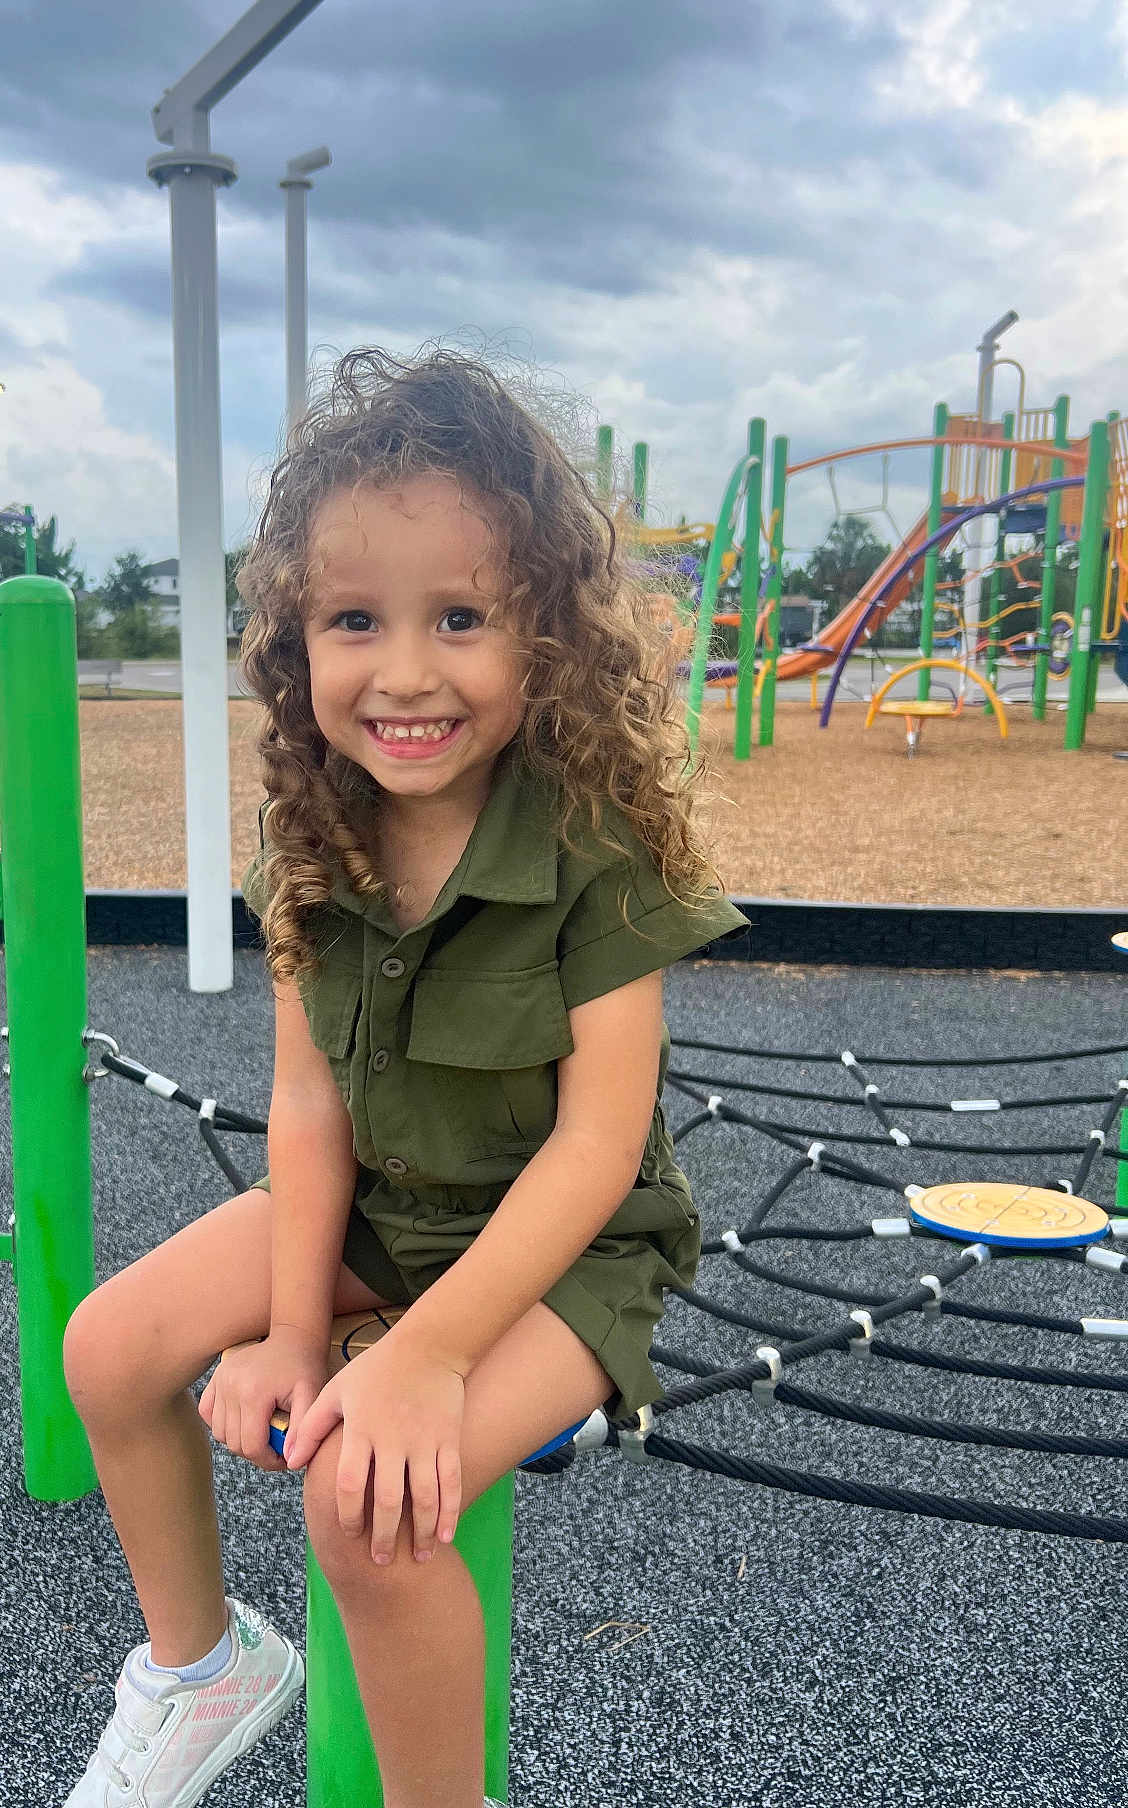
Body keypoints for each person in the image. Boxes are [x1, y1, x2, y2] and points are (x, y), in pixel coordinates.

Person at [59, 348, 748, 1808]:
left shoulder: (592, 846)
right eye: (355, 619)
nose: (409, 671)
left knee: (362, 1507)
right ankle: (204, 1669)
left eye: (461, 617)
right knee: (110, 1348)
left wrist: (430, 1353)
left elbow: (599, 1148)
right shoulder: (313, 835)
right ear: (295, 639)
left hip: (571, 1249)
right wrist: (297, 1331)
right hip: (387, 1198)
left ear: (545, 639)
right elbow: (310, 1107)